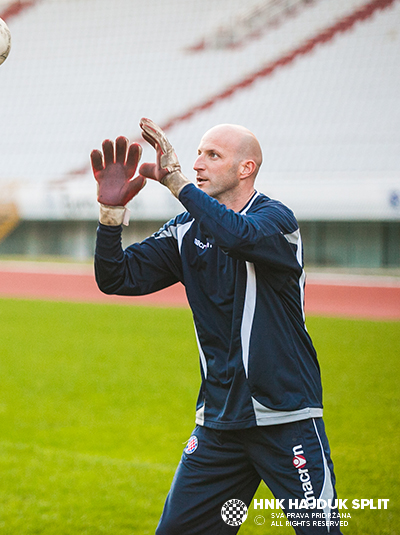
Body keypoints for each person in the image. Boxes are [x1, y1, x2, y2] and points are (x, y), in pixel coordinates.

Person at [92, 118, 341, 534]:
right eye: (198, 154)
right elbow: (116, 277)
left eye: (213, 155)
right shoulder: (185, 231)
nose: (198, 164)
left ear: (246, 168)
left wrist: (179, 187)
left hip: (286, 417)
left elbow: (237, 236)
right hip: (219, 425)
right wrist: (110, 216)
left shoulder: (276, 220)